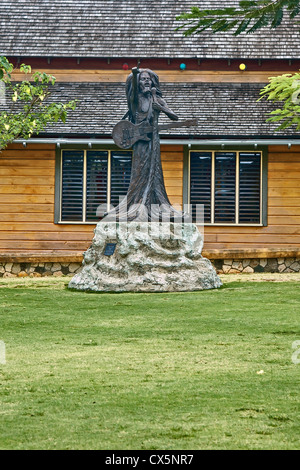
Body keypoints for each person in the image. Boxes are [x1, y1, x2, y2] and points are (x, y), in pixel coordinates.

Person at [108, 68, 184, 222]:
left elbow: (174, 117)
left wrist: (160, 107)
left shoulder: (158, 99)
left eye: (148, 78)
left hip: (153, 139)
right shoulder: (136, 99)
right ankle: (136, 204)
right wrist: (135, 75)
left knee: (154, 170)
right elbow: (133, 90)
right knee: (140, 170)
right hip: (140, 141)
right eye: (143, 79)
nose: (146, 81)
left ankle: (156, 206)